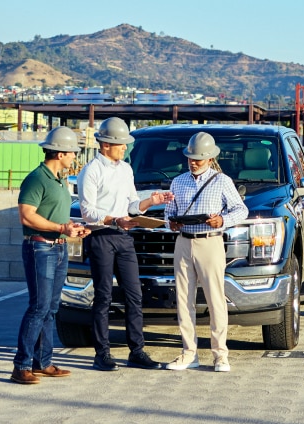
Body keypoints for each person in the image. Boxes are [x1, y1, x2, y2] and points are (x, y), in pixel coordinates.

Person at [77, 117, 174, 371]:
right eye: (121, 144)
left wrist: (149, 202)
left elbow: (132, 204)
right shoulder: (91, 171)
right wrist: (114, 219)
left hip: (124, 237)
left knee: (134, 294)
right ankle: (102, 353)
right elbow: (87, 211)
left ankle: (136, 350)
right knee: (103, 297)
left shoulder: (126, 170)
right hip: (101, 237)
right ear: (106, 144)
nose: (125, 148)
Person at [11, 127, 90, 385]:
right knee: (38, 307)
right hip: (40, 248)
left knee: (51, 308)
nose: (74, 157)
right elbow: (26, 215)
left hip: (58, 247)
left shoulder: (58, 180)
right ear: (59, 152)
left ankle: (43, 362)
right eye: (72, 153)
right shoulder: (36, 179)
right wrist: (60, 228)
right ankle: (21, 366)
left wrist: (71, 227)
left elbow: (55, 215)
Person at [164, 132, 248, 373]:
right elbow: (168, 213)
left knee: (215, 299)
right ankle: (189, 353)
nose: (193, 161)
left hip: (211, 242)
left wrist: (221, 220)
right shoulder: (178, 181)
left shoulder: (222, 181)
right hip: (183, 242)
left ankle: (220, 355)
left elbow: (241, 210)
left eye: (199, 158)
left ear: (210, 158)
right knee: (183, 300)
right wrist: (172, 223)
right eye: (190, 157)